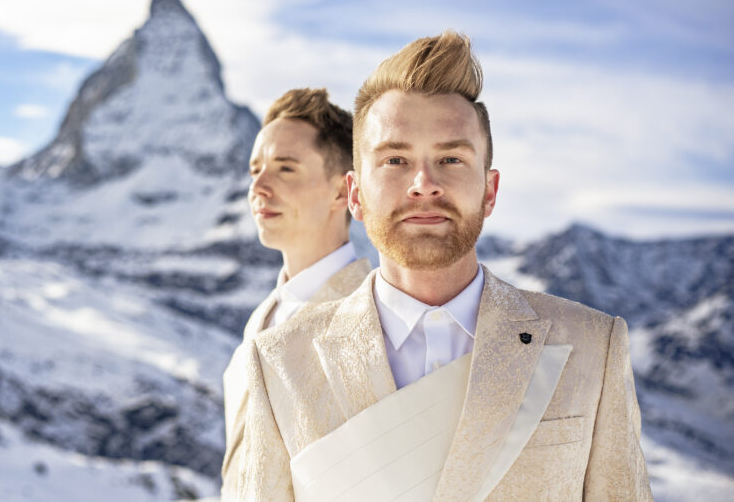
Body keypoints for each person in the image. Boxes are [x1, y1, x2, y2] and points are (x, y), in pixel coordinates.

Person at [221, 32, 651, 501]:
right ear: (356, 195)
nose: (424, 184)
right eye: (395, 159)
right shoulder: (281, 362)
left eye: (450, 158)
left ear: (490, 190)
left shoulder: (592, 346)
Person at [221, 88, 371, 479]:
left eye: (285, 168)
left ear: (344, 190)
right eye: (256, 170)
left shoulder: (370, 320)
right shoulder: (264, 315)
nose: (258, 188)